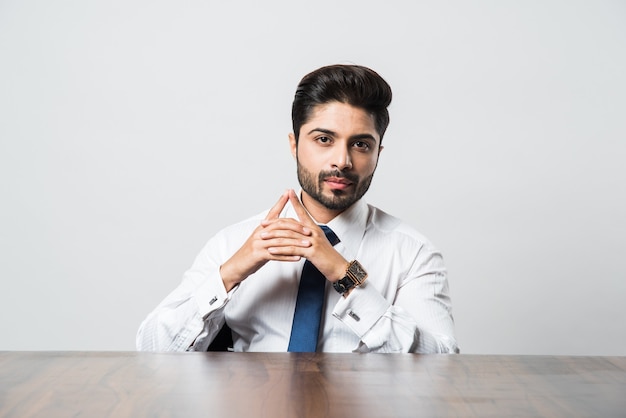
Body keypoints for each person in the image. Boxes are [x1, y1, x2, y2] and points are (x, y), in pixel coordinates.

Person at [136, 64, 459, 353]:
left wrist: (345, 274)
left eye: (361, 144)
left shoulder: (412, 253)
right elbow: (153, 349)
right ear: (294, 145)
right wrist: (232, 271)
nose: (342, 161)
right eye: (323, 139)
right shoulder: (232, 243)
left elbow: (441, 365)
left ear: (378, 153)